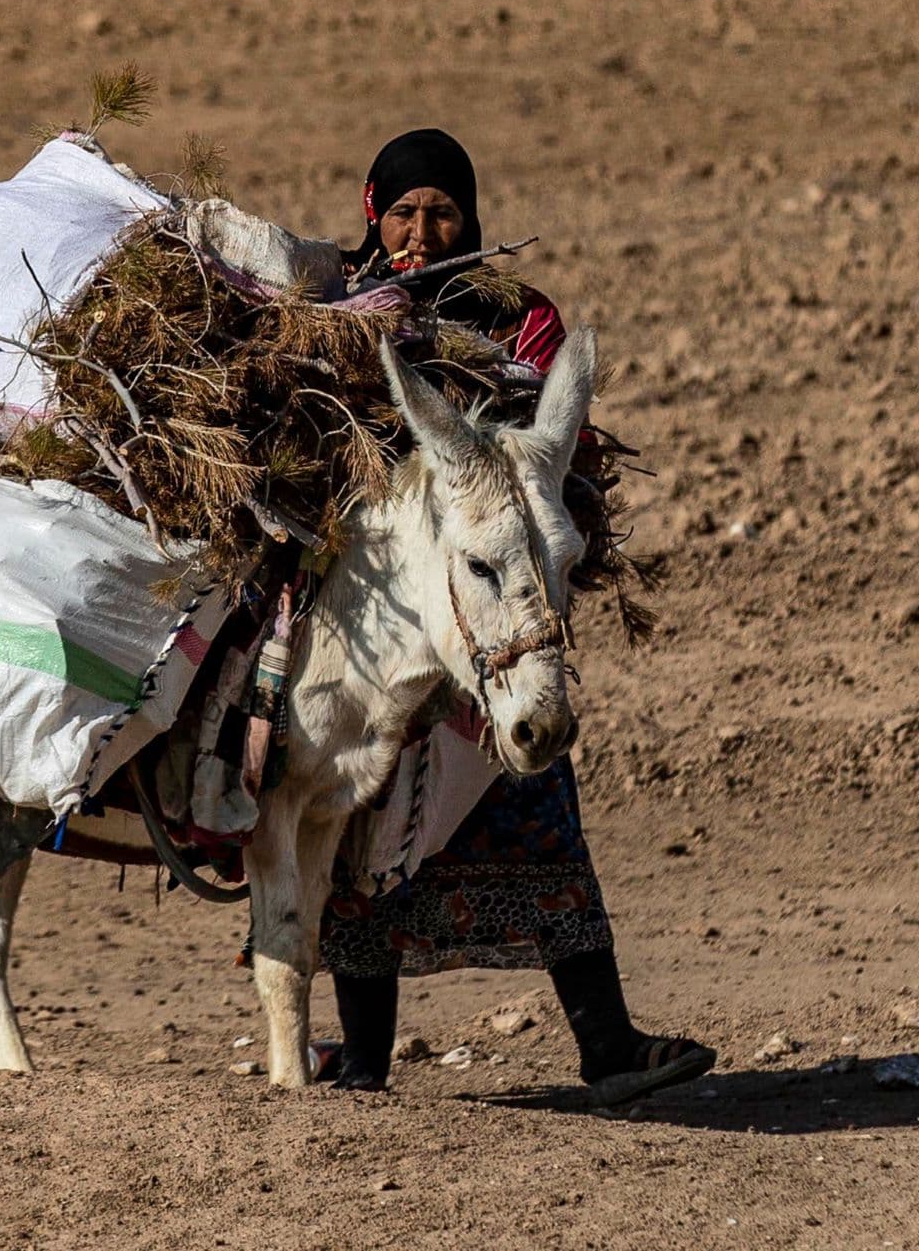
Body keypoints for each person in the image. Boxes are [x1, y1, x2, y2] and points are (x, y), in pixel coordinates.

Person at [319, 127, 716, 1107]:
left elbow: (533, 449)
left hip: (496, 619)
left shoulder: (522, 319)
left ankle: (607, 1046)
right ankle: (362, 1062)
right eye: (404, 213)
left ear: (472, 216)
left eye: (442, 212)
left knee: (539, 815)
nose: (421, 232)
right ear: (374, 212)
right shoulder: (337, 314)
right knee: (357, 832)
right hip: (383, 624)